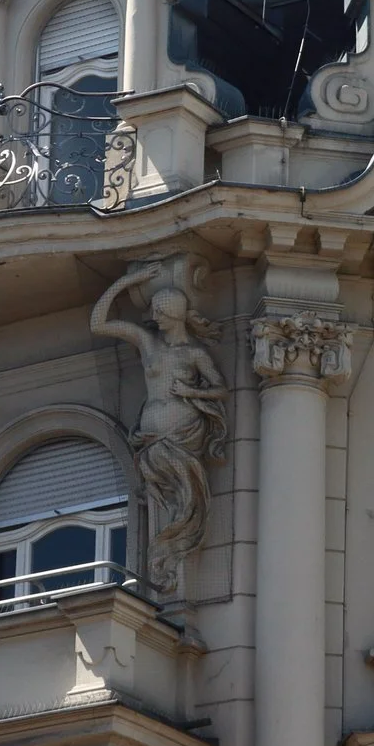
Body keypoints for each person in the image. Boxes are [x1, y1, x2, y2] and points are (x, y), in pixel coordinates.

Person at [91, 254, 228, 593]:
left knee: (184, 503)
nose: (154, 318)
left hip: (182, 435)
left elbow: (220, 389)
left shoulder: (194, 354)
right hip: (151, 438)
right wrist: (126, 283)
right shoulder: (147, 342)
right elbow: (99, 323)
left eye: (159, 313)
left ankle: (172, 559)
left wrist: (191, 392)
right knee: (164, 501)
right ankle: (166, 559)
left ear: (174, 315)